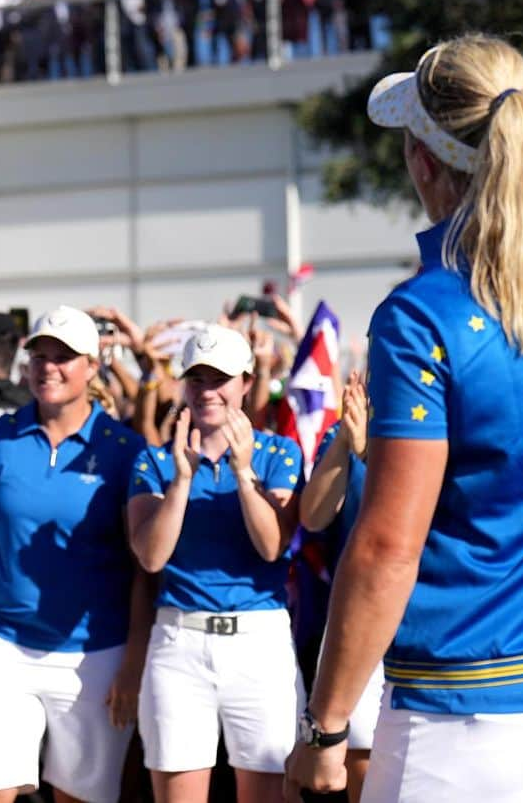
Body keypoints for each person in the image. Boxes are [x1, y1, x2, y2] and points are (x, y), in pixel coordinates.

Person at [284, 34, 523, 802]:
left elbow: (388, 547)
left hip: (459, 717)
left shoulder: (423, 315)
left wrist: (324, 731)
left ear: (425, 164)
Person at [0, 306, 151, 803]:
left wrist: (133, 663)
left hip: (94, 654)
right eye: (39, 355)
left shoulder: (125, 450)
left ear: (91, 366)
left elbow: (144, 567)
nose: (48, 366)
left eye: (63, 357)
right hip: (0, 643)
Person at [127, 324, 304, 803]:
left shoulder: (278, 453)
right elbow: (150, 555)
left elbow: (272, 546)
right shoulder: (155, 461)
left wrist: (245, 474)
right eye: (198, 378)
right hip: (179, 643)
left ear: (247, 383)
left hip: (258, 641)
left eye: (220, 379)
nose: (208, 391)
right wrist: (182, 480)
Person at [296, 372, 382, 803]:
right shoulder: (343, 428)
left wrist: (372, 450)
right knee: (364, 766)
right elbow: (313, 516)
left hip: (431, 620)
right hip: (361, 617)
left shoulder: (441, 422)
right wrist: (348, 444)